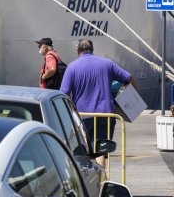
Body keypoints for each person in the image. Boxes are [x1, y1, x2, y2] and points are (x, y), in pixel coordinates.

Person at [59, 38, 139, 167]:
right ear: (92, 49)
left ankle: (89, 180)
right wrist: (133, 94)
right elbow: (129, 78)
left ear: (78, 50)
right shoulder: (107, 64)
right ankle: (101, 179)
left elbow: (64, 93)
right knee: (100, 151)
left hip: (83, 116)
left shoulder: (72, 67)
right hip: (106, 116)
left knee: (83, 152)